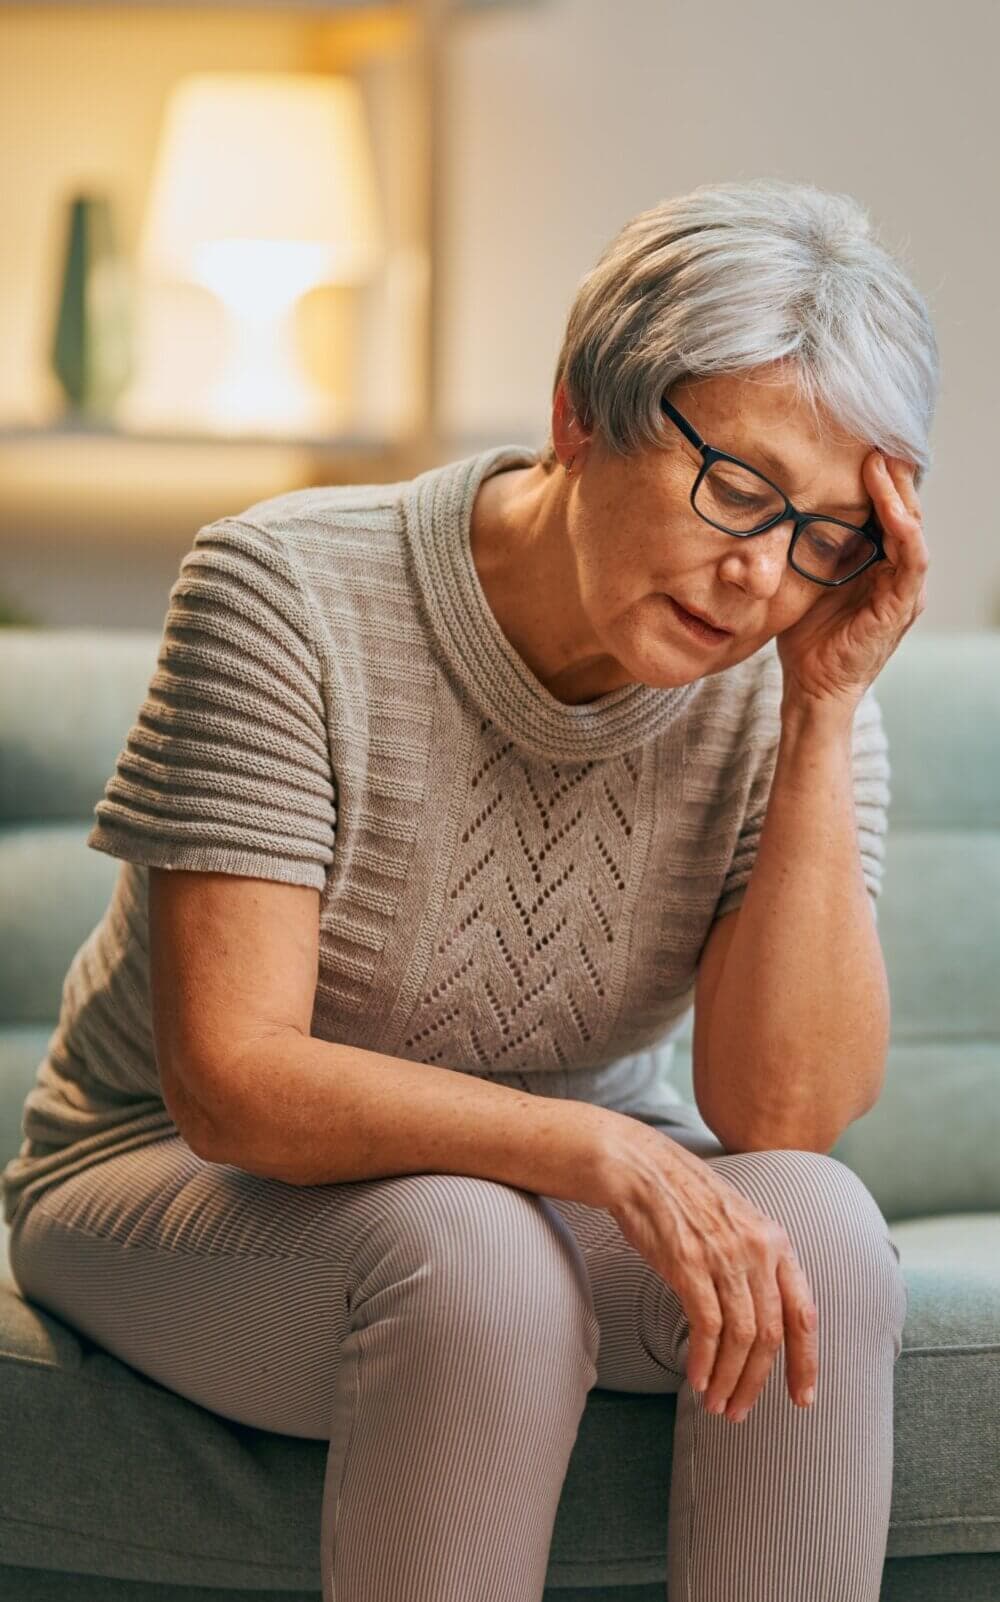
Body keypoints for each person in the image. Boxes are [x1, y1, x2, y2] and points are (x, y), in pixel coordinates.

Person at [3, 176, 934, 1602]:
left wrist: (818, 713)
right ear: (582, 411)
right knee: (473, 1250)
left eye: (821, 533)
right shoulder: (286, 590)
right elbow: (231, 1078)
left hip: (543, 1185)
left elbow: (783, 1113)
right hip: (175, 1178)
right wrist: (594, 1152)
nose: (760, 573)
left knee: (821, 1231)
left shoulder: (797, 673)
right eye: (737, 486)